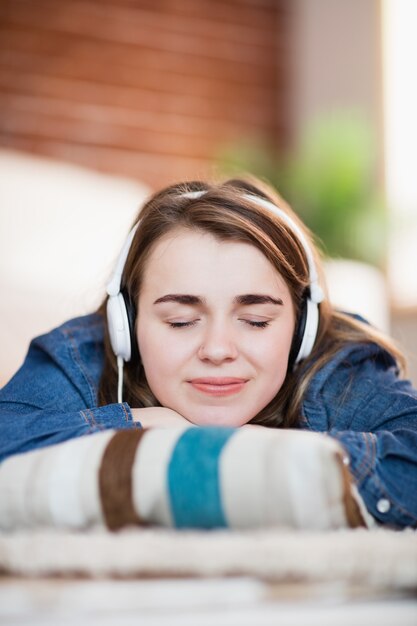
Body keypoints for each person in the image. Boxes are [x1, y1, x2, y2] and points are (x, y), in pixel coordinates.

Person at [0, 177, 416, 529]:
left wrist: (230, 445)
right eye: (181, 321)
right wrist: (142, 422)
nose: (217, 350)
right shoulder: (84, 352)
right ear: (125, 322)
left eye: (255, 321)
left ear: (302, 327)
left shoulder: (339, 362)